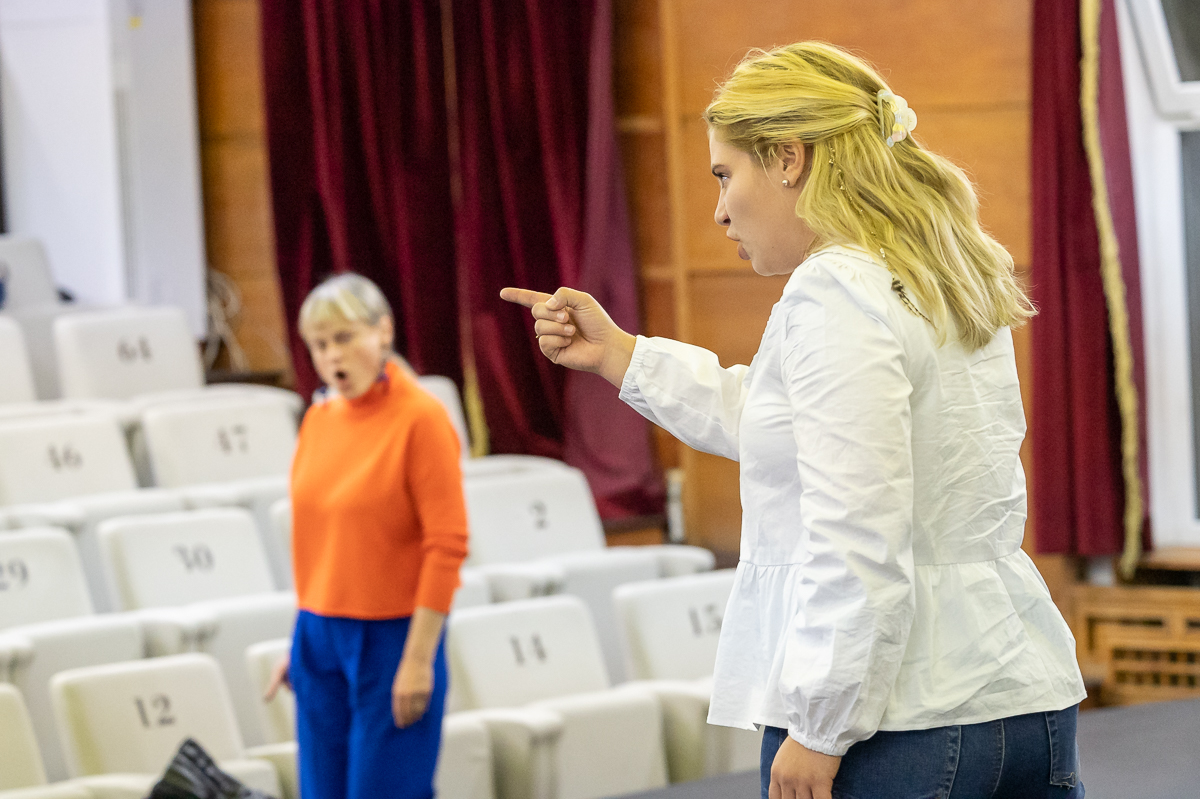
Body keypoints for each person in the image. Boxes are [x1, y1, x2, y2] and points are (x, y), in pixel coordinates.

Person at [503, 41, 1085, 799]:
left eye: (724, 173)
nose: (717, 208)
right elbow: (781, 421)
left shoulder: (835, 290)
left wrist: (820, 720)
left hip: (899, 723)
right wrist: (619, 354)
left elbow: (859, 533)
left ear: (787, 157)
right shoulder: (943, 270)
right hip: (1021, 698)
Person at [264, 273, 469, 799]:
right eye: (319, 344)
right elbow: (318, 540)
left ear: (383, 332)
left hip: (393, 638)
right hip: (318, 636)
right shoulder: (317, 419)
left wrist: (419, 659)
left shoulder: (420, 418)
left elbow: (446, 545)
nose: (333, 356)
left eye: (345, 337)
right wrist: (301, 634)